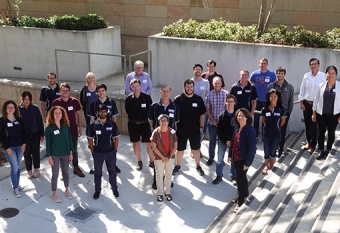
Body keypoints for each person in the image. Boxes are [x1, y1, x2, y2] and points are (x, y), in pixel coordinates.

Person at [173, 79, 206, 176]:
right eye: (187, 87)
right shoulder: (178, 99)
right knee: (180, 149)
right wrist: (175, 129)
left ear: (193, 87)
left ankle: (198, 166)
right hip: (181, 129)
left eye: (191, 87)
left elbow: (201, 115)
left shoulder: (198, 99)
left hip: (194, 129)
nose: (189, 89)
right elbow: (175, 116)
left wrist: (201, 126)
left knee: (196, 149)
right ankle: (177, 166)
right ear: (184, 87)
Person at [87, 104, 120, 199]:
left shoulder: (112, 124)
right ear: (97, 112)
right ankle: (97, 190)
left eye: (105, 111)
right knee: (98, 173)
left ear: (107, 112)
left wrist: (115, 150)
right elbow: (90, 138)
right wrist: (93, 151)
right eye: (101, 111)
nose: (103, 113)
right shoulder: (93, 125)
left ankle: (114, 189)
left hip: (110, 153)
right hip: (98, 153)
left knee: (112, 172)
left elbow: (116, 138)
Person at [52, 83, 85, 177]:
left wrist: (80, 129)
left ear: (69, 91)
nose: (65, 92)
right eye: (63, 90)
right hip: (61, 132)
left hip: (73, 130)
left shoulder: (74, 101)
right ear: (60, 91)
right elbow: (52, 117)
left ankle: (75, 167)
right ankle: (63, 171)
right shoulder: (55, 102)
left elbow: (79, 115)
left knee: (74, 149)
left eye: (67, 90)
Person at [228, 108, 256, 213]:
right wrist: (230, 155)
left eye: (243, 116)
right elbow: (233, 143)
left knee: (239, 180)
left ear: (247, 117)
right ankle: (245, 195)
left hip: (244, 159)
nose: (240, 118)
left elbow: (251, 148)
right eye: (239, 116)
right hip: (236, 158)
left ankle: (240, 202)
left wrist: (247, 163)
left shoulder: (250, 130)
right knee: (242, 177)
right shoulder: (237, 128)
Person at [87, 83, 120, 174]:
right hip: (97, 129)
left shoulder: (111, 102)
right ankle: (96, 165)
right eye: (99, 91)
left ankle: (113, 164)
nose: (101, 93)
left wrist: (114, 131)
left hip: (109, 128)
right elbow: (92, 118)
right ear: (97, 92)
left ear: (106, 91)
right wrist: (91, 131)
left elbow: (114, 117)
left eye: (103, 91)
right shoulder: (94, 104)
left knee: (112, 147)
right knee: (96, 147)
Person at [45, 106, 74, 203]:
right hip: (55, 154)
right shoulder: (49, 128)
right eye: (56, 113)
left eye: (60, 113)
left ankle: (67, 189)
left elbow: (70, 139)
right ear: (52, 115)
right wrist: (49, 156)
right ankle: (54, 193)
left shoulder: (66, 126)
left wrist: (71, 152)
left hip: (65, 153)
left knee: (65, 172)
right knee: (55, 174)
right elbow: (48, 143)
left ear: (63, 115)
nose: (58, 115)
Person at [312, 65, 340, 160]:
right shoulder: (322, 85)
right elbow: (316, 100)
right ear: (326, 74)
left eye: (333, 73)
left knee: (331, 133)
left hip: (334, 115)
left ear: (336, 74)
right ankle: (321, 151)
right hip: (321, 114)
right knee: (321, 133)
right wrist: (314, 112)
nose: (331, 75)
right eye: (329, 73)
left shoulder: (339, 86)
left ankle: (328, 150)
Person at [298, 58, 326, 154]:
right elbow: (302, 89)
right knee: (307, 124)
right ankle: (308, 142)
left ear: (318, 65)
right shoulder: (306, 76)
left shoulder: (323, 76)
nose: (313, 66)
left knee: (314, 125)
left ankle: (313, 145)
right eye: (311, 64)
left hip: (318, 104)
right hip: (307, 103)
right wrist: (301, 103)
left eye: (315, 64)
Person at [125, 78, 154, 171]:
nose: (135, 88)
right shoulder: (129, 99)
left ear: (140, 86)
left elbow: (150, 109)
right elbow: (127, 111)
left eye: (137, 86)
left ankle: (152, 161)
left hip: (145, 124)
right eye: (133, 87)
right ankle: (139, 161)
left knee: (149, 143)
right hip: (133, 124)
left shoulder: (146, 97)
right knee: (136, 143)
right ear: (131, 87)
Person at [0, 101, 26, 198]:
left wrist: (24, 144)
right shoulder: (2, 121)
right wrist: (7, 148)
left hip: (20, 147)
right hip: (10, 148)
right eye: (8, 107)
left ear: (15, 108)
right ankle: (15, 187)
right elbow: (1, 136)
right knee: (15, 167)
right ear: (5, 109)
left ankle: (17, 184)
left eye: (12, 107)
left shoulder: (19, 119)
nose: (11, 109)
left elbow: (24, 132)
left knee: (18, 167)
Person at [267, 67, 294, 157]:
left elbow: (291, 101)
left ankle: (280, 149)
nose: (280, 75)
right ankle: (272, 149)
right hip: (273, 113)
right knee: (272, 131)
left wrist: (288, 113)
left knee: (282, 132)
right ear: (276, 74)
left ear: (284, 74)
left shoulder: (289, 87)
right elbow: (268, 99)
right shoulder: (271, 86)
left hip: (284, 113)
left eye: (282, 73)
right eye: (278, 73)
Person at [150, 114, 178, 202]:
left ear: (168, 122)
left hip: (170, 157)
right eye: (161, 121)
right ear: (159, 122)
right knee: (159, 175)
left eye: (165, 120)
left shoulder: (172, 132)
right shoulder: (155, 132)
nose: (163, 122)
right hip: (159, 158)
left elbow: (175, 145)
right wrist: (163, 157)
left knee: (169, 175)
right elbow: (154, 147)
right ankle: (160, 193)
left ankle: (168, 192)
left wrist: (169, 156)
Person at [19, 91, 44, 179]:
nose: (26, 101)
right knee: (27, 153)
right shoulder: (18, 109)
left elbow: (40, 122)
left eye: (28, 99)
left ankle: (37, 169)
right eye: (25, 99)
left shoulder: (35, 108)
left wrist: (42, 134)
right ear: (22, 99)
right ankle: (29, 170)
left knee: (36, 152)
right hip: (24, 136)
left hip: (35, 134)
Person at [205, 77, 229, 166]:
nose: (217, 85)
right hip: (212, 123)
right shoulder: (209, 95)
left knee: (222, 141)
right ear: (212, 84)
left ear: (221, 84)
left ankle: (221, 159)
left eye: (219, 83)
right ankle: (211, 157)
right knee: (212, 141)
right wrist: (213, 121)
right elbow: (207, 109)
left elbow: (228, 108)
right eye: (215, 83)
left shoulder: (226, 94)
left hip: (223, 124)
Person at [261, 89, 286, 175]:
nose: (273, 98)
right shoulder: (264, 109)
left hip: (276, 134)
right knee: (266, 152)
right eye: (271, 96)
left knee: (273, 152)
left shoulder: (281, 109)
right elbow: (264, 120)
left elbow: (282, 122)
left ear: (278, 97)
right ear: (268, 97)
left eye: (275, 96)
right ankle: (267, 167)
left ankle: (270, 168)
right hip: (266, 134)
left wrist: (276, 128)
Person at [250, 58, 276, 139]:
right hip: (257, 101)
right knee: (256, 119)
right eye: (261, 63)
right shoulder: (254, 74)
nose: (263, 65)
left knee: (266, 118)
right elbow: (252, 85)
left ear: (267, 64)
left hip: (267, 101)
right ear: (259, 64)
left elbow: (274, 86)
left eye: (265, 63)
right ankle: (256, 136)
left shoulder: (272, 74)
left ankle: (265, 135)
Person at [213, 95, 236, 184]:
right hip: (223, 141)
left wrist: (232, 141)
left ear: (234, 103)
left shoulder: (237, 116)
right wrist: (226, 141)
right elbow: (219, 131)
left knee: (234, 160)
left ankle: (233, 176)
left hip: (234, 142)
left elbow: (238, 130)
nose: (230, 103)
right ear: (225, 103)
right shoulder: (221, 116)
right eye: (228, 101)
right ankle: (219, 175)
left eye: (231, 101)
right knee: (219, 160)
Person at [191, 64, 209, 154]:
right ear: (193, 71)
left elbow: (207, 95)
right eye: (196, 69)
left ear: (202, 71)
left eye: (199, 69)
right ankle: (192, 149)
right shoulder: (190, 82)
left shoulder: (206, 82)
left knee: (201, 129)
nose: (198, 71)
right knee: (192, 130)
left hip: (202, 110)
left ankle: (198, 148)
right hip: (191, 111)